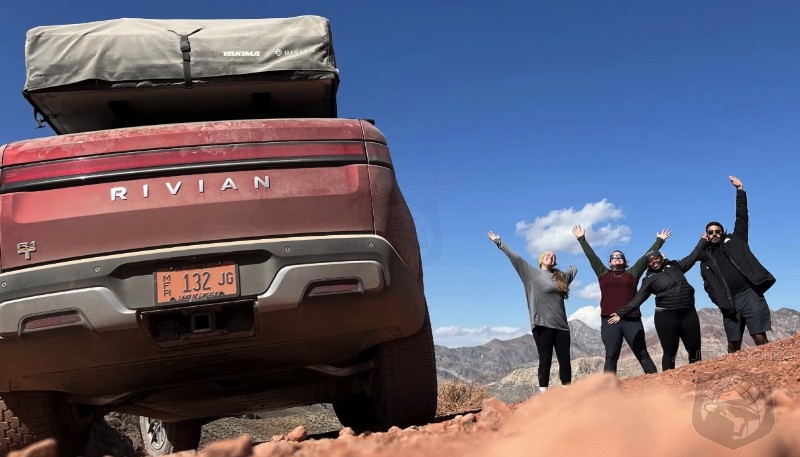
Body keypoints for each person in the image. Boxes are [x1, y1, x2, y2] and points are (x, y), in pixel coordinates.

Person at [572, 225, 670, 375]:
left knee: (642, 353)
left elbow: (645, 258)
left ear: (624, 260)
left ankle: (656, 382)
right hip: (610, 320)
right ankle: (609, 387)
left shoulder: (633, 273)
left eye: (620, 257)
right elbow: (591, 256)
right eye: (614, 257)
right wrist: (581, 239)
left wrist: (659, 241)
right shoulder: (603, 273)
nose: (617, 258)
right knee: (611, 356)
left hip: (632, 319)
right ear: (610, 261)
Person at [488, 231, 577, 392]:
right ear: (541, 259)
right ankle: (544, 396)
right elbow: (516, 258)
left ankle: (567, 394)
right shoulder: (531, 274)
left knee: (565, 360)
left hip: (562, 326)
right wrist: (499, 242)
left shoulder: (560, 278)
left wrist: (572, 262)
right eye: (548, 255)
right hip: (542, 324)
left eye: (554, 256)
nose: (551, 257)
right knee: (545, 359)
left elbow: (574, 269)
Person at [699, 176, 776, 353]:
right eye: (711, 232)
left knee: (759, 335)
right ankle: (734, 370)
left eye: (717, 231)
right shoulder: (705, 259)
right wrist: (719, 301)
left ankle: (769, 364)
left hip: (749, 294)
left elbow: (742, 217)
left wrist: (740, 191)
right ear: (707, 235)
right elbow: (707, 285)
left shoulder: (736, 240)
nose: (714, 234)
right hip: (729, 302)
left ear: (722, 232)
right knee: (733, 342)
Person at [609, 237, 707, 371]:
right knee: (670, 351)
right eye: (649, 261)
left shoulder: (675, 266)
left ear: (662, 258)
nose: (653, 262)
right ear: (647, 265)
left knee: (694, 348)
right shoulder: (649, 279)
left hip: (688, 312)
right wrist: (621, 313)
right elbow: (638, 299)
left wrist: (702, 241)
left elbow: (693, 256)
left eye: (656, 258)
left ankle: (697, 375)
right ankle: (669, 380)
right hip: (667, 316)